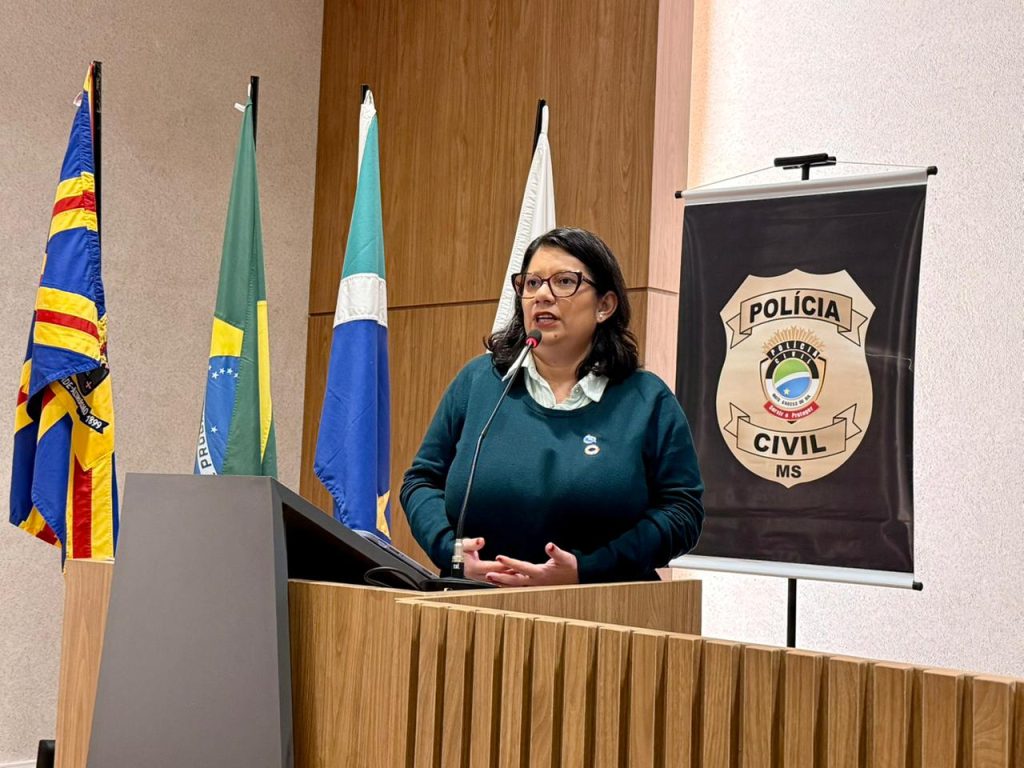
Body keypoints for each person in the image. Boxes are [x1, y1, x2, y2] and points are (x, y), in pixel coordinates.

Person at [400, 227, 704, 586]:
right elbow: (421, 481)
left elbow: (683, 511)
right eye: (531, 284)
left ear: (605, 306)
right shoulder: (480, 382)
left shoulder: (646, 399)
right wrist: (448, 551)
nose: (542, 295)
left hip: (605, 611)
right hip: (475, 604)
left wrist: (587, 569)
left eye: (564, 282)